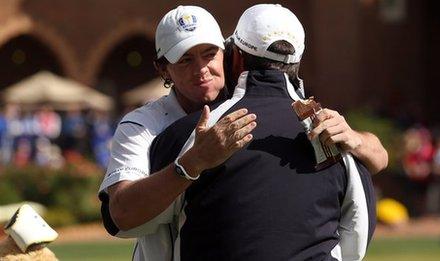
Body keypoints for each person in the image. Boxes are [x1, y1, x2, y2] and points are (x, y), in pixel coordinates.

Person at [98, 5, 387, 261]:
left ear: (229, 54)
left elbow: (378, 156)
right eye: (185, 60)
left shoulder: (292, 115)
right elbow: (122, 215)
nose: (202, 69)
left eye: (209, 54)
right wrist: (192, 162)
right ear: (163, 70)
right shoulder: (143, 126)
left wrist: (356, 139)